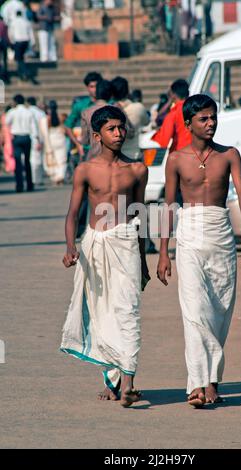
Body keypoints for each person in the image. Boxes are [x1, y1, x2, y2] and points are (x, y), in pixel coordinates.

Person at [157, 94, 241, 407]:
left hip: (221, 233)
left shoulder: (229, 155)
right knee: (194, 309)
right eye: (203, 119)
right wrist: (163, 251)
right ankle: (199, 384)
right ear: (188, 124)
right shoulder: (176, 159)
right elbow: (169, 205)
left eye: (213, 117)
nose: (210, 123)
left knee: (220, 309)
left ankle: (212, 379)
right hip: (189, 234)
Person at [61, 105, 150, 407]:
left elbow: (140, 215)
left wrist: (145, 261)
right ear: (97, 135)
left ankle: (128, 382)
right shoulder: (85, 170)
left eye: (122, 127)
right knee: (101, 314)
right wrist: (71, 247)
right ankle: (112, 380)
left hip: (125, 244)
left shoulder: (138, 169)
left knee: (127, 311)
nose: (119, 133)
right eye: (112, 129)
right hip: (94, 246)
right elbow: (73, 213)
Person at [64, 71, 102, 160]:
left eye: (97, 86)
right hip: (86, 150)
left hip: (103, 149)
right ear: (87, 87)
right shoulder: (80, 105)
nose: (95, 89)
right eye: (92, 86)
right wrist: (78, 144)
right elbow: (67, 126)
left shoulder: (108, 103)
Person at [5, 94, 38, 192]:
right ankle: (29, 184)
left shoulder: (12, 112)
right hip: (27, 137)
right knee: (27, 161)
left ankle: (19, 185)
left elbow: (7, 122)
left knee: (18, 162)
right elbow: (33, 127)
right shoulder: (29, 112)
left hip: (17, 138)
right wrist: (35, 138)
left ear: (15, 101)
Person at [111, 76, 149, 160]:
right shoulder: (139, 107)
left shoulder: (109, 110)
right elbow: (147, 122)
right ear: (128, 91)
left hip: (117, 158)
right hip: (134, 155)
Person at [151, 79, 191, 153]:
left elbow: (163, 141)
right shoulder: (196, 109)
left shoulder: (174, 113)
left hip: (180, 153)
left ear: (173, 94)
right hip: (198, 153)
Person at [80, 79, 113, 160]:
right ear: (111, 94)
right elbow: (130, 132)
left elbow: (84, 140)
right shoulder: (116, 110)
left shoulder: (86, 112)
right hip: (113, 158)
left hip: (94, 157)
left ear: (96, 93)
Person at [40, 100, 67, 185]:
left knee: (54, 158)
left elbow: (44, 132)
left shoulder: (46, 119)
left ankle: (56, 177)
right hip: (61, 139)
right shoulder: (61, 117)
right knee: (61, 159)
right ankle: (61, 176)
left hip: (51, 140)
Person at [9, 9, 34, 80]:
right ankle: (21, 73)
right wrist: (32, 42)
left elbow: (11, 33)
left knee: (19, 58)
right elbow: (30, 33)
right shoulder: (26, 22)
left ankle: (24, 71)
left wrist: (11, 42)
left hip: (18, 41)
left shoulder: (13, 22)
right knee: (21, 57)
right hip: (26, 41)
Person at [27, 96, 46, 185]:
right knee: (40, 158)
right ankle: (39, 178)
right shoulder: (41, 113)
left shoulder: (27, 112)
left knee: (33, 159)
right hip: (41, 138)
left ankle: (34, 179)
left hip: (32, 138)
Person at [0, 105, 15, 173]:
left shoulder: (4, 117)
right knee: (10, 152)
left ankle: (10, 167)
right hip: (11, 136)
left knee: (8, 153)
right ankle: (11, 166)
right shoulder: (11, 116)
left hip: (7, 137)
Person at [0, 15, 10, 82]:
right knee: (4, 59)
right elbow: (6, 35)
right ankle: (4, 73)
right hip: (4, 42)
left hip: (2, 42)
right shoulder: (4, 24)